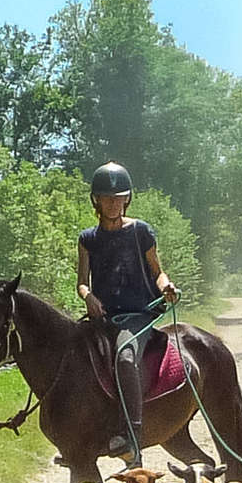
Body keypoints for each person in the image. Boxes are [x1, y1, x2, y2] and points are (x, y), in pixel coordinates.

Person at [76, 161, 178, 465]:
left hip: (138, 315)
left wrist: (167, 287)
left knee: (125, 355)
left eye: (119, 197)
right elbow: (82, 282)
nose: (113, 203)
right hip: (103, 318)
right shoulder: (88, 239)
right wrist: (89, 296)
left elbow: (158, 272)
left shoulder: (141, 231)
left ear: (127, 198)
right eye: (107, 198)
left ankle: (132, 436)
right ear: (96, 200)